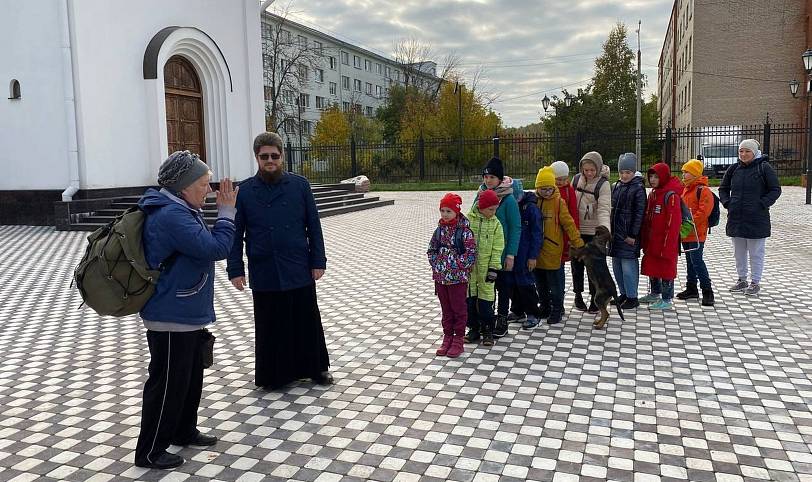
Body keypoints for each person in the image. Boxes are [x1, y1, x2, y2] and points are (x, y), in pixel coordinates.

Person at [134, 151, 238, 470]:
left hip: (185, 311)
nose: (208, 191)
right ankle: (150, 450)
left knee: (190, 378)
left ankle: (183, 429)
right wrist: (227, 213)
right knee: (167, 383)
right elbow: (215, 248)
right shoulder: (171, 215)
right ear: (183, 187)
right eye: (204, 184)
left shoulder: (182, 208)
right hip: (170, 316)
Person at [227, 132, 331, 390]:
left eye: (275, 155)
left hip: (298, 264)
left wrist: (318, 260)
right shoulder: (245, 191)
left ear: (282, 156)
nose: (270, 160)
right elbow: (235, 233)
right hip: (264, 267)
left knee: (306, 320)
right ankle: (275, 375)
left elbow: (313, 226)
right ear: (257, 158)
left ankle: (316, 369)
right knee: (270, 324)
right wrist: (235, 269)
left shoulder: (300, 185)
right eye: (265, 156)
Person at [719, 139, 781, 296]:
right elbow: (723, 189)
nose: (744, 154)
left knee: (756, 252)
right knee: (738, 252)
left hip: (756, 219)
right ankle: (742, 280)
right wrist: (728, 203)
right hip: (736, 218)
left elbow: (775, 189)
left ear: (755, 152)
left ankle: (755, 282)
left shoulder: (763, 167)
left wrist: (762, 204)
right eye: (741, 151)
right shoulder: (734, 169)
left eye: (747, 151)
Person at [471, 157, 520, 338]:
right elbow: (472, 219)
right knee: (485, 288)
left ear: (500, 179)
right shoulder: (480, 195)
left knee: (503, 287)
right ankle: (485, 321)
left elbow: (516, 228)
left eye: (492, 177)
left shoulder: (508, 200)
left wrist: (511, 255)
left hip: (501, 253)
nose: (488, 180)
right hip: (482, 255)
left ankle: (502, 319)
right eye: (486, 176)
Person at [427, 193, 477, 358]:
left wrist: (455, 265)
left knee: (458, 309)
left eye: (448, 211)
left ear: (456, 211)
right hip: (441, 278)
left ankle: (458, 339)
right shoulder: (439, 230)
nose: (445, 214)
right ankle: (447, 336)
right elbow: (431, 249)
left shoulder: (464, 232)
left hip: (458, 279)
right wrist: (437, 264)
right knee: (446, 309)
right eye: (442, 210)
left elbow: (470, 254)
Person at [534, 167, 584, 325]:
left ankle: (557, 309)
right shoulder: (533, 201)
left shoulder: (558, 202)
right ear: (537, 188)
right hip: (537, 252)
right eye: (543, 189)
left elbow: (569, 224)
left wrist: (578, 242)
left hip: (553, 250)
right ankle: (545, 306)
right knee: (540, 283)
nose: (547, 192)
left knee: (555, 284)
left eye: (550, 188)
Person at [464, 189, 505, 347]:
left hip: (487, 269)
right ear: (481, 207)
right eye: (490, 209)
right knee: (470, 300)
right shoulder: (468, 220)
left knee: (486, 301)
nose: (493, 212)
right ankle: (473, 328)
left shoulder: (496, 224)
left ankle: (487, 329)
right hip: (470, 270)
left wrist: (494, 268)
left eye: (495, 209)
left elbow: (498, 248)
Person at [572, 151, 611, 313]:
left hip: (594, 233)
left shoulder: (603, 184)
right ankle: (578, 295)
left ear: (598, 168)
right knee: (577, 265)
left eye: (592, 170)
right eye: (586, 169)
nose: (588, 173)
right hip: (576, 230)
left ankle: (596, 297)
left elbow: (604, 208)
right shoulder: (575, 180)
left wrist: (604, 230)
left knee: (593, 268)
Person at [639, 162, 683, 310]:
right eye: (651, 176)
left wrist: (667, 244)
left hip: (665, 242)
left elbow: (673, 223)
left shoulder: (671, 196)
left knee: (666, 269)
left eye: (656, 177)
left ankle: (667, 298)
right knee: (653, 267)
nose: (652, 179)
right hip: (653, 240)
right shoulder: (653, 193)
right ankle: (655, 292)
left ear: (663, 177)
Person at [609, 153, 646, 309]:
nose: (624, 175)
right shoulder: (616, 186)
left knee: (628, 268)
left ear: (633, 172)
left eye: (628, 172)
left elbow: (639, 214)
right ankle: (623, 293)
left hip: (628, 237)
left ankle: (632, 296)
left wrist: (633, 235)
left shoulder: (638, 188)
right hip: (615, 235)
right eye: (622, 172)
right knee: (617, 268)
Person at [676, 159, 716, 306]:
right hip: (686, 232)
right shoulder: (685, 189)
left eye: (686, 172)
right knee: (689, 262)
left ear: (694, 173)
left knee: (697, 261)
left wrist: (687, 226)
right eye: (683, 172)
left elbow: (702, 213)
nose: (683, 175)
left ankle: (707, 290)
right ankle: (691, 288)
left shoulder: (703, 190)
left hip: (697, 233)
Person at [508, 182, 544, 330]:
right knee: (513, 284)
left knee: (526, 284)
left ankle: (533, 313)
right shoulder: (510, 206)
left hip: (526, 254)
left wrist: (533, 256)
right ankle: (517, 310)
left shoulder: (531, 209)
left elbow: (537, 235)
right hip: (513, 253)